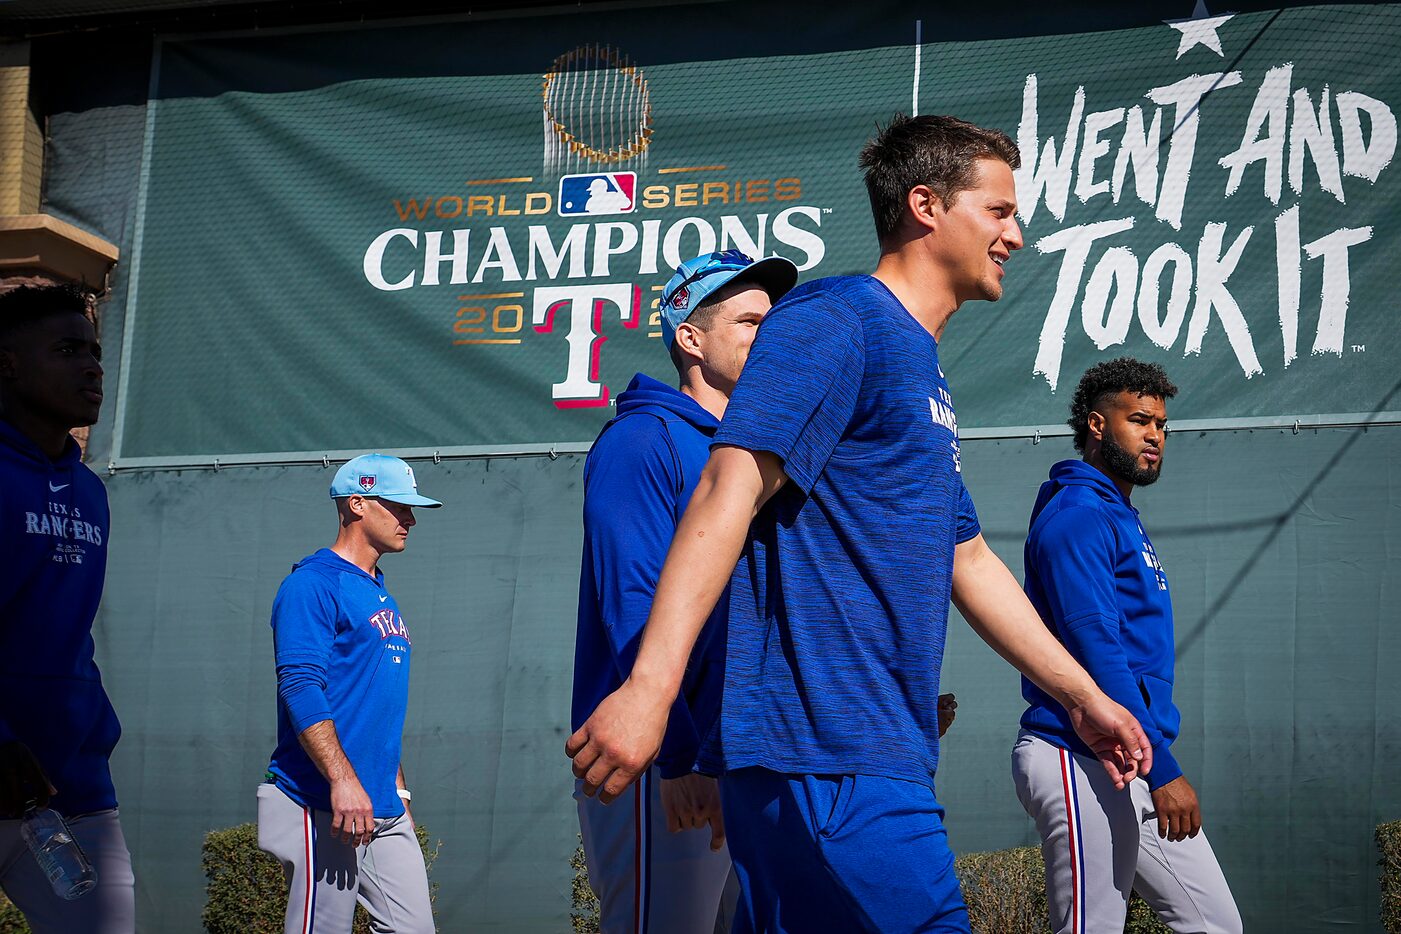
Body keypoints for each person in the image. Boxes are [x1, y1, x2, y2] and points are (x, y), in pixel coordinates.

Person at [566, 114, 1155, 933]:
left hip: (869, 753)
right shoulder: (836, 320)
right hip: (825, 754)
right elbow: (724, 490)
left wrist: (1083, 696)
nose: (1015, 235)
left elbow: (969, 558)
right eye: (997, 211)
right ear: (925, 206)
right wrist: (651, 691)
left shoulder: (918, 364)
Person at [572, 248, 797, 933]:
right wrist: (676, 751)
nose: (769, 336)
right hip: (657, 756)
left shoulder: (751, 451)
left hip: (740, 753)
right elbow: (629, 602)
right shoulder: (643, 438)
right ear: (690, 338)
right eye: (750, 321)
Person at [1012, 358, 1241, 934]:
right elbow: (1097, 651)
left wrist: (1150, 760)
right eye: (1139, 420)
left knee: (1216, 925)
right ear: (1096, 425)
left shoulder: (1119, 515)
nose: (1155, 436)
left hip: (1128, 755)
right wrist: (1161, 769)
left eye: (1162, 425)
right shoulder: (1078, 514)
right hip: (1079, 754)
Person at [257, 453, 441, 934]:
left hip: (380, 804)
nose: (410, 518)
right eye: (398, 505)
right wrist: (341, 780)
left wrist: (396, 789)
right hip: (319, 799)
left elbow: (377, 704)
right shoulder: (312, 584)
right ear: (357, 504)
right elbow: (300, 685)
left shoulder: (379, 590)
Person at [0, 283, 135, 934]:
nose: (91, 367)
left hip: (69, 793)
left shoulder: (88, 491)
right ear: (8, 364)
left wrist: (89, 734)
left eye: (96, 354)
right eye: (67, 350)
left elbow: (63, 633)